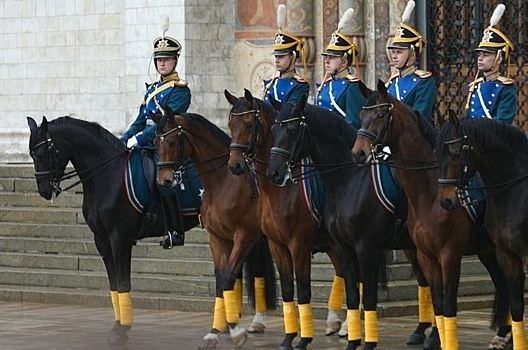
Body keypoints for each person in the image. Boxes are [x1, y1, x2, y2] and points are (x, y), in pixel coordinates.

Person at [120, 17, 190, 248]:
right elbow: (140, 119)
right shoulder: (152, 90)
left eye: (167, 59)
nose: (162, 64)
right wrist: (122, 141)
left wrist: (140, 138)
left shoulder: (180, 91)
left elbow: (165, 125)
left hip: (165, 145)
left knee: (162, 183)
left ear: (175, 61)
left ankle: (175, 231)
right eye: (159, 60)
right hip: (146, 144)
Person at [386, 0, 436, 124]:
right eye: (394, 52)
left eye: (399, 52)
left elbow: (420, 116)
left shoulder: (423, 81)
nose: (395, 56)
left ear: (412, 55)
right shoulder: (392, 82)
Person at [465, 3, 516, 125]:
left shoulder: (506, 88)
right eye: (479, 54)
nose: (480, 58)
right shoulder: (474, 86)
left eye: (486, 55)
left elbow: (502, 123)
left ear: (498, 59)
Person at [316, 8, 364, 130]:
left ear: (344, 62)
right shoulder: (325, 85)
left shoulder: (352, 86)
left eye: (332, 58)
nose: (327, 61)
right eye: (326, 57)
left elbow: (353, 122)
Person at [263, 4, 309, 105]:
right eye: (276, 56)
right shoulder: (270, 84)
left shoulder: (299, 85)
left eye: (281, 56)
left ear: (292, 57)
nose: (277, 60)